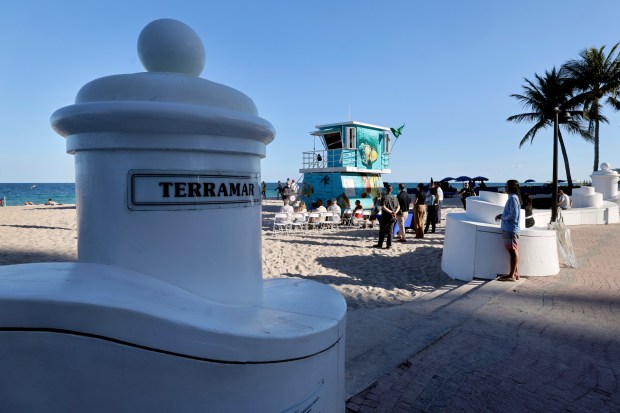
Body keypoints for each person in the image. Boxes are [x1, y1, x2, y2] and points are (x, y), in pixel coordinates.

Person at [495, 179, 521, 282]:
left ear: (511, 187)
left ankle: (511, 276)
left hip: (510, 229)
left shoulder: (513, 199)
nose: (505, 187)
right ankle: (515, 273)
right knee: (513, 250)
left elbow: (512, 215)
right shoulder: (513, 198)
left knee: (512, 251)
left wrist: (502, 216)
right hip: (511, 228)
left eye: (506, 185)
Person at [373, 184, 399, 249]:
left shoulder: (384, 197)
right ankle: (389, 245)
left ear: (386, 190)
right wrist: (395, 212)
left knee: (382, 230)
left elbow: (383, 207)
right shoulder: (394, 197)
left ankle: (380, 244)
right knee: (390, 231)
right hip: (393, 216)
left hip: (386, 216)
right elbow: (398, 206)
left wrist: (391, 212)